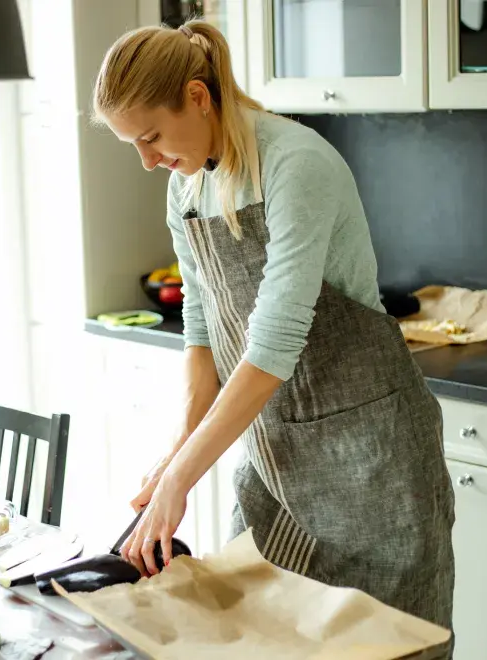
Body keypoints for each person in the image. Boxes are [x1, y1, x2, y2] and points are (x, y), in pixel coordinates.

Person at [92, 19, 456, 636]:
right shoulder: (187, 189)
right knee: (263, 637)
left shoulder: (297, 163)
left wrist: (183, 477)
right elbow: (203, 330)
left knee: (388, 646)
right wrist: (172, 456)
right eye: (135, 145)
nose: (149, 161)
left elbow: (272, 343)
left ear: (199, 96)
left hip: (377, 468)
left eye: (152, 136)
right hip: (277, 462)